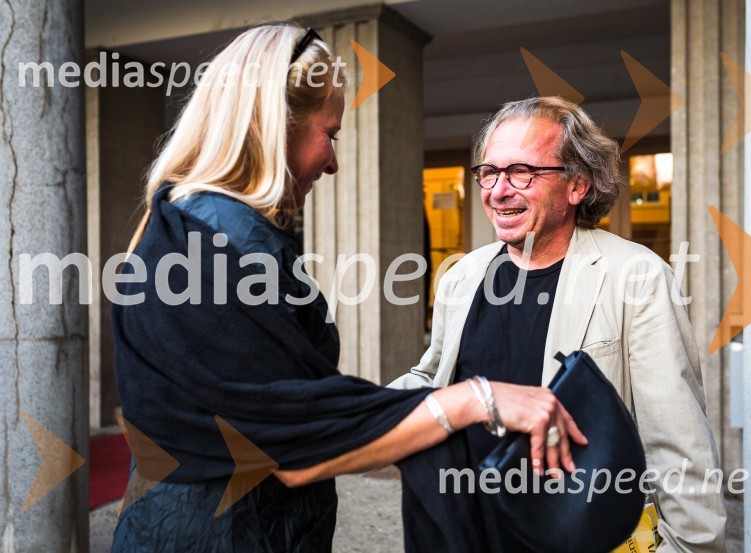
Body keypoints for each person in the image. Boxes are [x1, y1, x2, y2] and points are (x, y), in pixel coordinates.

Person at [111, 25, 584, 552]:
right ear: (276, 125)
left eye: (522, 172)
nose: (333, 163)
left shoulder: (190, 225)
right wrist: (479, 399)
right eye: (330, 134)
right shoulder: (223, 240)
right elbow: (294, 435)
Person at [391, 96, 728, 551]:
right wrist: (345, 411)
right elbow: (433, 377)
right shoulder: (463, 276)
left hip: (571, 533)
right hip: (462, 530)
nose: (498, 190)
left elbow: (677, 441)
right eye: (489, 172)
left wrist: (689, 546)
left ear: (577, 185)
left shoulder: (637, 276)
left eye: (522, 172)